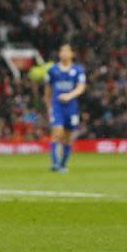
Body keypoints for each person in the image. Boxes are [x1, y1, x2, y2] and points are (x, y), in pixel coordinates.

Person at [43, 43, 86, 172]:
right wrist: (48, 107)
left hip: (71, 108)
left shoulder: (78, 70)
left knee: (68, 137)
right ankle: (55, 163)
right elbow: (47, 92)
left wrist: (69, 95)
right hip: (57, 107)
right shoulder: (52, 70)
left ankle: (62, 164)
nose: (64, 53)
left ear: (72, 54)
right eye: (62, 51)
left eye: (67, 51)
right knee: (57, 132)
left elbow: (81, 87)